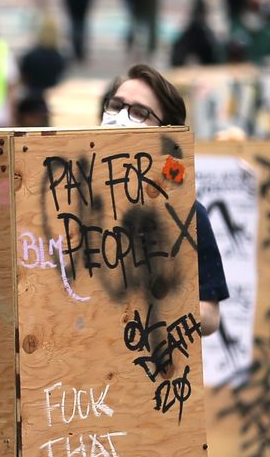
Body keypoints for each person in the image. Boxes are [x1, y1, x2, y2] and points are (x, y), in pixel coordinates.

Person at [98, 65, 228, 338]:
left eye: (139, 112)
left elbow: (210, 316)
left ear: (165, 132)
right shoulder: (70, 198)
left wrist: (156, 302)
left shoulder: (187, 215)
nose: (121, 117)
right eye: (116, 105)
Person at [18, 18, 67, 107]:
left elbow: (23, 76)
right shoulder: (60, 57)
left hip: (32, 95)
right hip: (52, 96)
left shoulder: (30, 56)